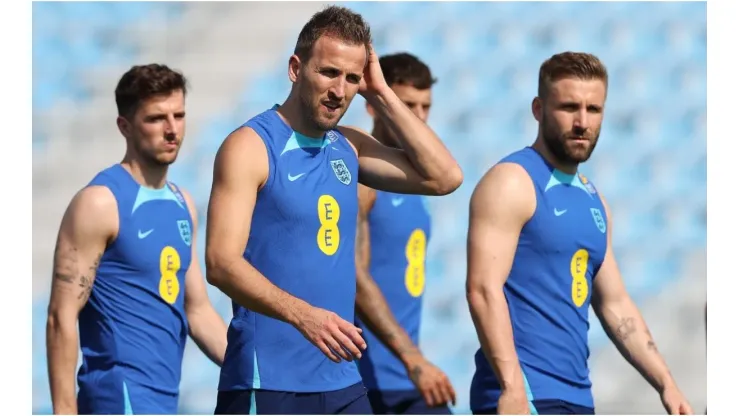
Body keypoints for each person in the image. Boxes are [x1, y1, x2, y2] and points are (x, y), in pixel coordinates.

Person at [204, 5, 463, 415]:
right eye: (328, 72)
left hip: (343, 383)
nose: (340, 90)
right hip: (267, 382)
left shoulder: (348, 146)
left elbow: (444, 178)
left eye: (352, 79)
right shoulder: (252, 146)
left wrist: (381, 93)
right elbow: (220, 263)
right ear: (296, 68)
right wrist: (304, 316)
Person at [465, 52, 693, 415]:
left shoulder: (594, 200)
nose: (582, 122)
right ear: (538, 109)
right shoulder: (512, 182)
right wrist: (511, 387)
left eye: (594, 109)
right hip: (523, 395)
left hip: (577, 398)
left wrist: (667, 384)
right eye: (569, 107)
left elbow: (614, 303)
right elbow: (482, 289)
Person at [45, 64, 228, 415]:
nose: (172, 129)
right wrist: (64, 410)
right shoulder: (100, 203)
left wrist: (250, 373)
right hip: (118, 399)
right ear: (124, 127)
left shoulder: (183, 203)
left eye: (179, 115)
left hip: (164, 400)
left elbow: (197, 310)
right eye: (156, 118)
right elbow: (60, 316)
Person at [353, 52, 455, 415]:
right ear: (374, 107)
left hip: (407, 379)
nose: (419, 116)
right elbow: (354, 276)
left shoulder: (419, 182)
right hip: (365, 381)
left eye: (425, 106)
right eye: (406, 104)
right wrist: (412, 358)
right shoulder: (363, 179)